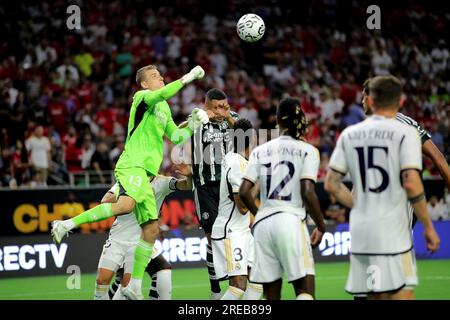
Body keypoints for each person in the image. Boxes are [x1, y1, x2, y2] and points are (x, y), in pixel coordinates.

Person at [51, 64, 208, 299]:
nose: (161, 78)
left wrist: (194, 125)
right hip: (132, 164)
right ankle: (65, 225)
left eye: (161, 75)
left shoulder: (163, 107)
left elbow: (175, 136)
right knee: (125, 205)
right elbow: (162, 93)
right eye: (155, 76)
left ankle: (133, 285)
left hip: (147, 174)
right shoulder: (142, 98)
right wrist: (187, 78)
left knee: (151, 230)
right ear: (144, 83)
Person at [325, 75, 440, 300]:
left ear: (371, 101)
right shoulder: (406, 133)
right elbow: (411, 182)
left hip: (362, 231)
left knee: (371, 296)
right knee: (402, 295)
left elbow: (331, 184)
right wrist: (427, 225)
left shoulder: (350, 134)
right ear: (400, 102)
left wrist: (359, 205)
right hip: (394, 232)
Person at [239, 97, 326, 300]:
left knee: (271, 295)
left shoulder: (260, 150)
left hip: (263, 225)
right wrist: (321, 226)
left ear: (277, 120)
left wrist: (259, 214)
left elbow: (244, 192)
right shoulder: (308, 150)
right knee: (304, 289)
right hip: (291, 220)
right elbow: (308, 192)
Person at [95, 163, 193, 300]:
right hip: (122, 240)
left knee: (163, 269)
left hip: (143, 238)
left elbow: (187, 185)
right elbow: (105, 201)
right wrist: (129, 195)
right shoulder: (127, 181)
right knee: (124, 283)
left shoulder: (162, 182)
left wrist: (189, 176)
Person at [190, 88, 240, 299]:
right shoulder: (197, 117)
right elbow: (182, 130)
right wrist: (202, 118)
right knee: (211, 238)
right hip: (205, 185)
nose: (222, 110)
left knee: (230, 235)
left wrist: (227, 115)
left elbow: (245, 131)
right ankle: (215, 290)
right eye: (217, 106)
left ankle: (234, 283)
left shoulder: (232, 117)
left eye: (225, 105)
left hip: (227, 184)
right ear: (208, 105)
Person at [211, 118, 263, 300]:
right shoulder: (238, 164)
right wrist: (258, 181)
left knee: (256, 282)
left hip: (242, 230)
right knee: (239, 285)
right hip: (231, 231)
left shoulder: (234, 159)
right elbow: (242, 207)